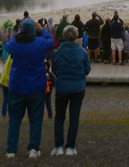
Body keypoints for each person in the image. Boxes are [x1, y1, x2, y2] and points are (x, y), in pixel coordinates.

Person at [5, 18, 54, 158]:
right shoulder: (39, 43)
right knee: (36, 119)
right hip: (36, 86)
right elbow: (50, 42)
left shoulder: (14, 43)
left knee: (14, 119)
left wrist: (20, 33)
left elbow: (8, 45)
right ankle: (33, 148)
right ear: (34, 30)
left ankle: (11, 150)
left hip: (17, 86)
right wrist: (42, 30)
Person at [50, 25, 90, 156]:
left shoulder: (58, 52)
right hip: (78, 88)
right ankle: (71, 147)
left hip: (62, 87)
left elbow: (54, 69)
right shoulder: (82, 52)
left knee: (59, 117)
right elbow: (87, 70)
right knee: (74, 117)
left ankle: (59, 146)